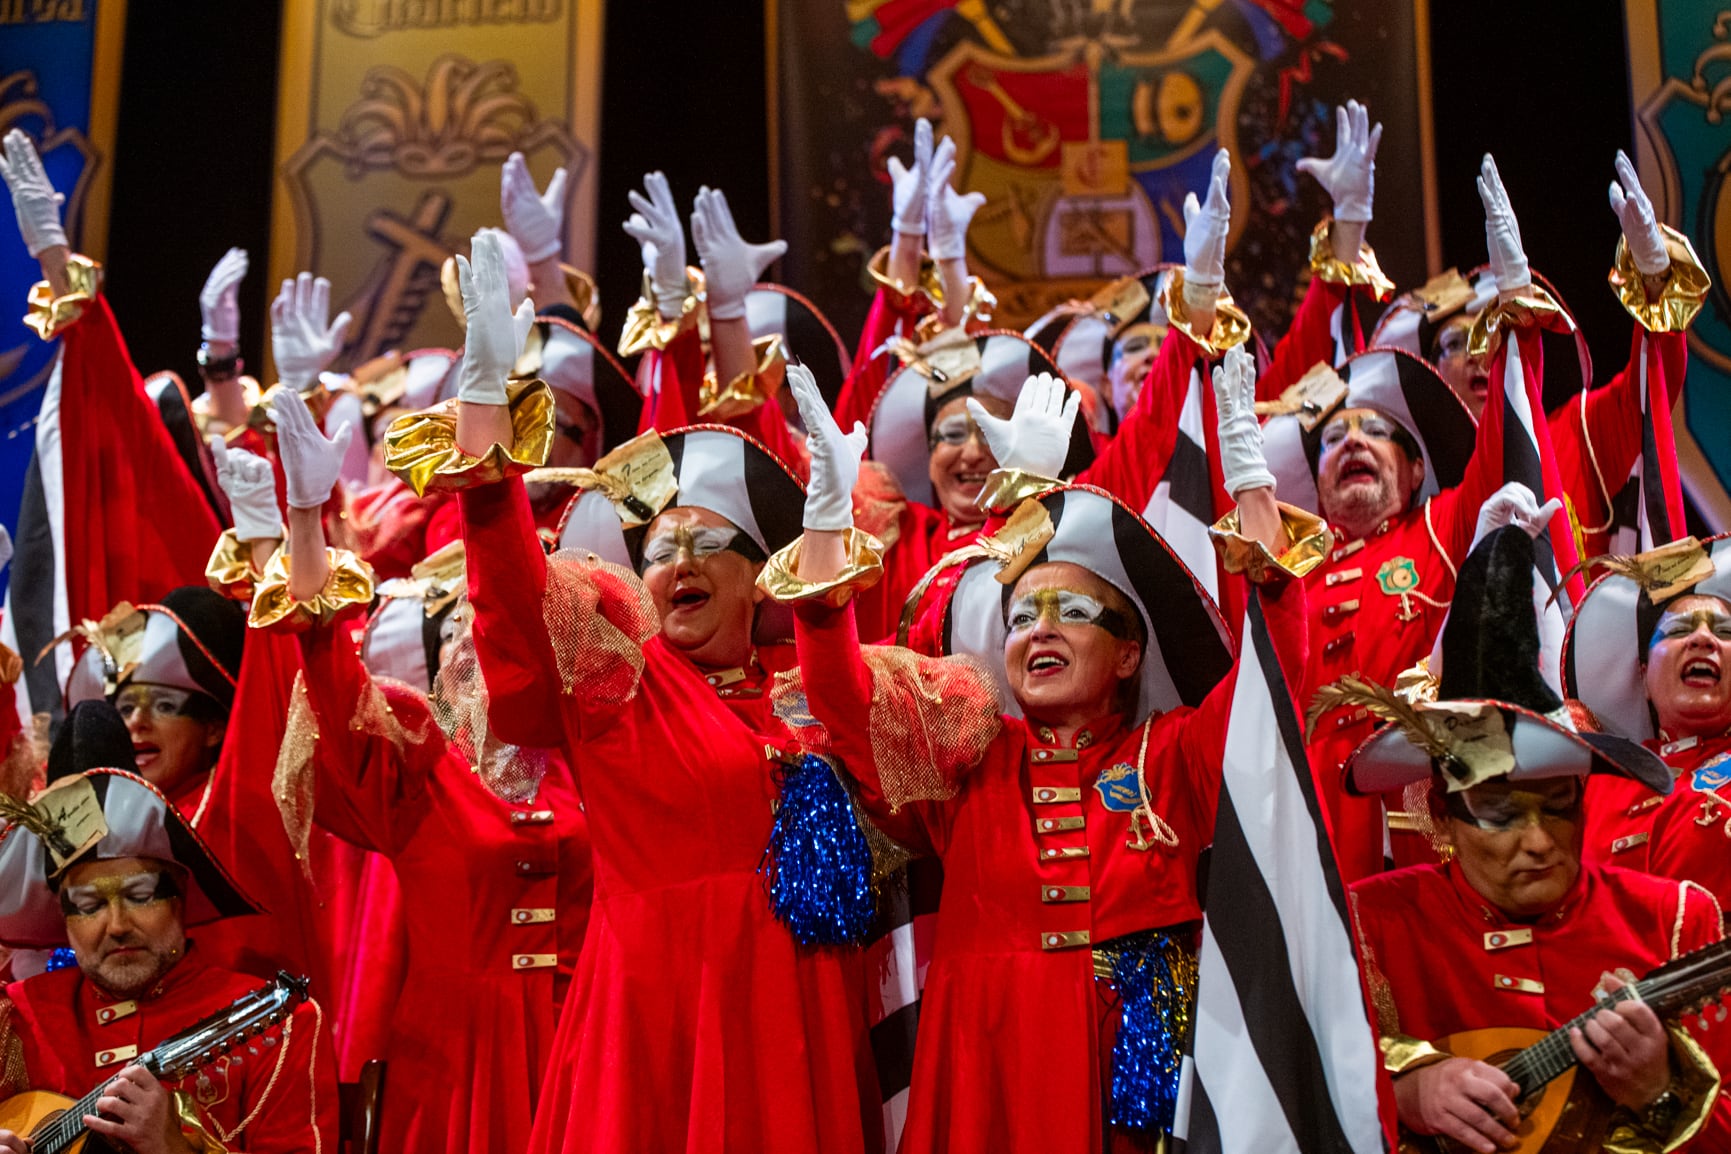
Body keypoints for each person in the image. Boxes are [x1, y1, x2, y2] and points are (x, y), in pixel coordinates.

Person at [384, 229, 881, 1154]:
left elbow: (869, 712)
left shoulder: (806, 691)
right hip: (656, 1012)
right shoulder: (620, 683)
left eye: (708, 546)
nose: (679, 563)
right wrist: (489, 451)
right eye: (658, 551)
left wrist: (823, 551)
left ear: (759, 579)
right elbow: (520, 616)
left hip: (795, 1016)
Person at [767, 344, 1322, 1152]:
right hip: (982, 1064)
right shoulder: (966, 760)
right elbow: (845, 703)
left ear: (1129, 655)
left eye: (1070, 612)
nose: (1039, 632)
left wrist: (1255, 504)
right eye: (1022, 618)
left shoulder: (1172, 757)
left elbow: (1277, 677)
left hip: (1128, 1076)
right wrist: (824, 544)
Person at [232, 385, 593, 1153]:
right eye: (466, 629)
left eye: (499, 631)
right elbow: (331, 674)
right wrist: (301, 518)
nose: (480, 646)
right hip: (452, 1066)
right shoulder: (423, 770)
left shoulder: (602, 760)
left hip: (587, 1041)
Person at [1344, 523, 1727, 1153]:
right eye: (1499, 814)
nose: (1541, 842)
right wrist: (1407, 1093)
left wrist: (1660, 1090)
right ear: (1441, 819)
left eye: (1558, 809)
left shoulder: (1675, 920)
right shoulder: (1371, 924)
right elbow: (1288, 1101)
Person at [1260, 156, 1568, 882]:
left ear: (1413, 468)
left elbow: (1505, 442)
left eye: (1373, 433)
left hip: (1409, 818)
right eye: (1332, 439)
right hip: (1299, 821)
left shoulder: (1439, 527)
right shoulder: (1288, 565)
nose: (1351, 444)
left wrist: (1516, 317)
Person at [0, 767, 338, 1151]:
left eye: (141, 895)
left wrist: (171, 1147)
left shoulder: (282, 1023)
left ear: (181, 897)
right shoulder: (14, 1019)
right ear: (64, 919)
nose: (117, 925)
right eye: (89, 905)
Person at [1565, 533, 1731, 909]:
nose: (1702, 639)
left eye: (1724, 632)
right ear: (1644, 678)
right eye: (1677, 631)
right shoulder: (1597, 779)